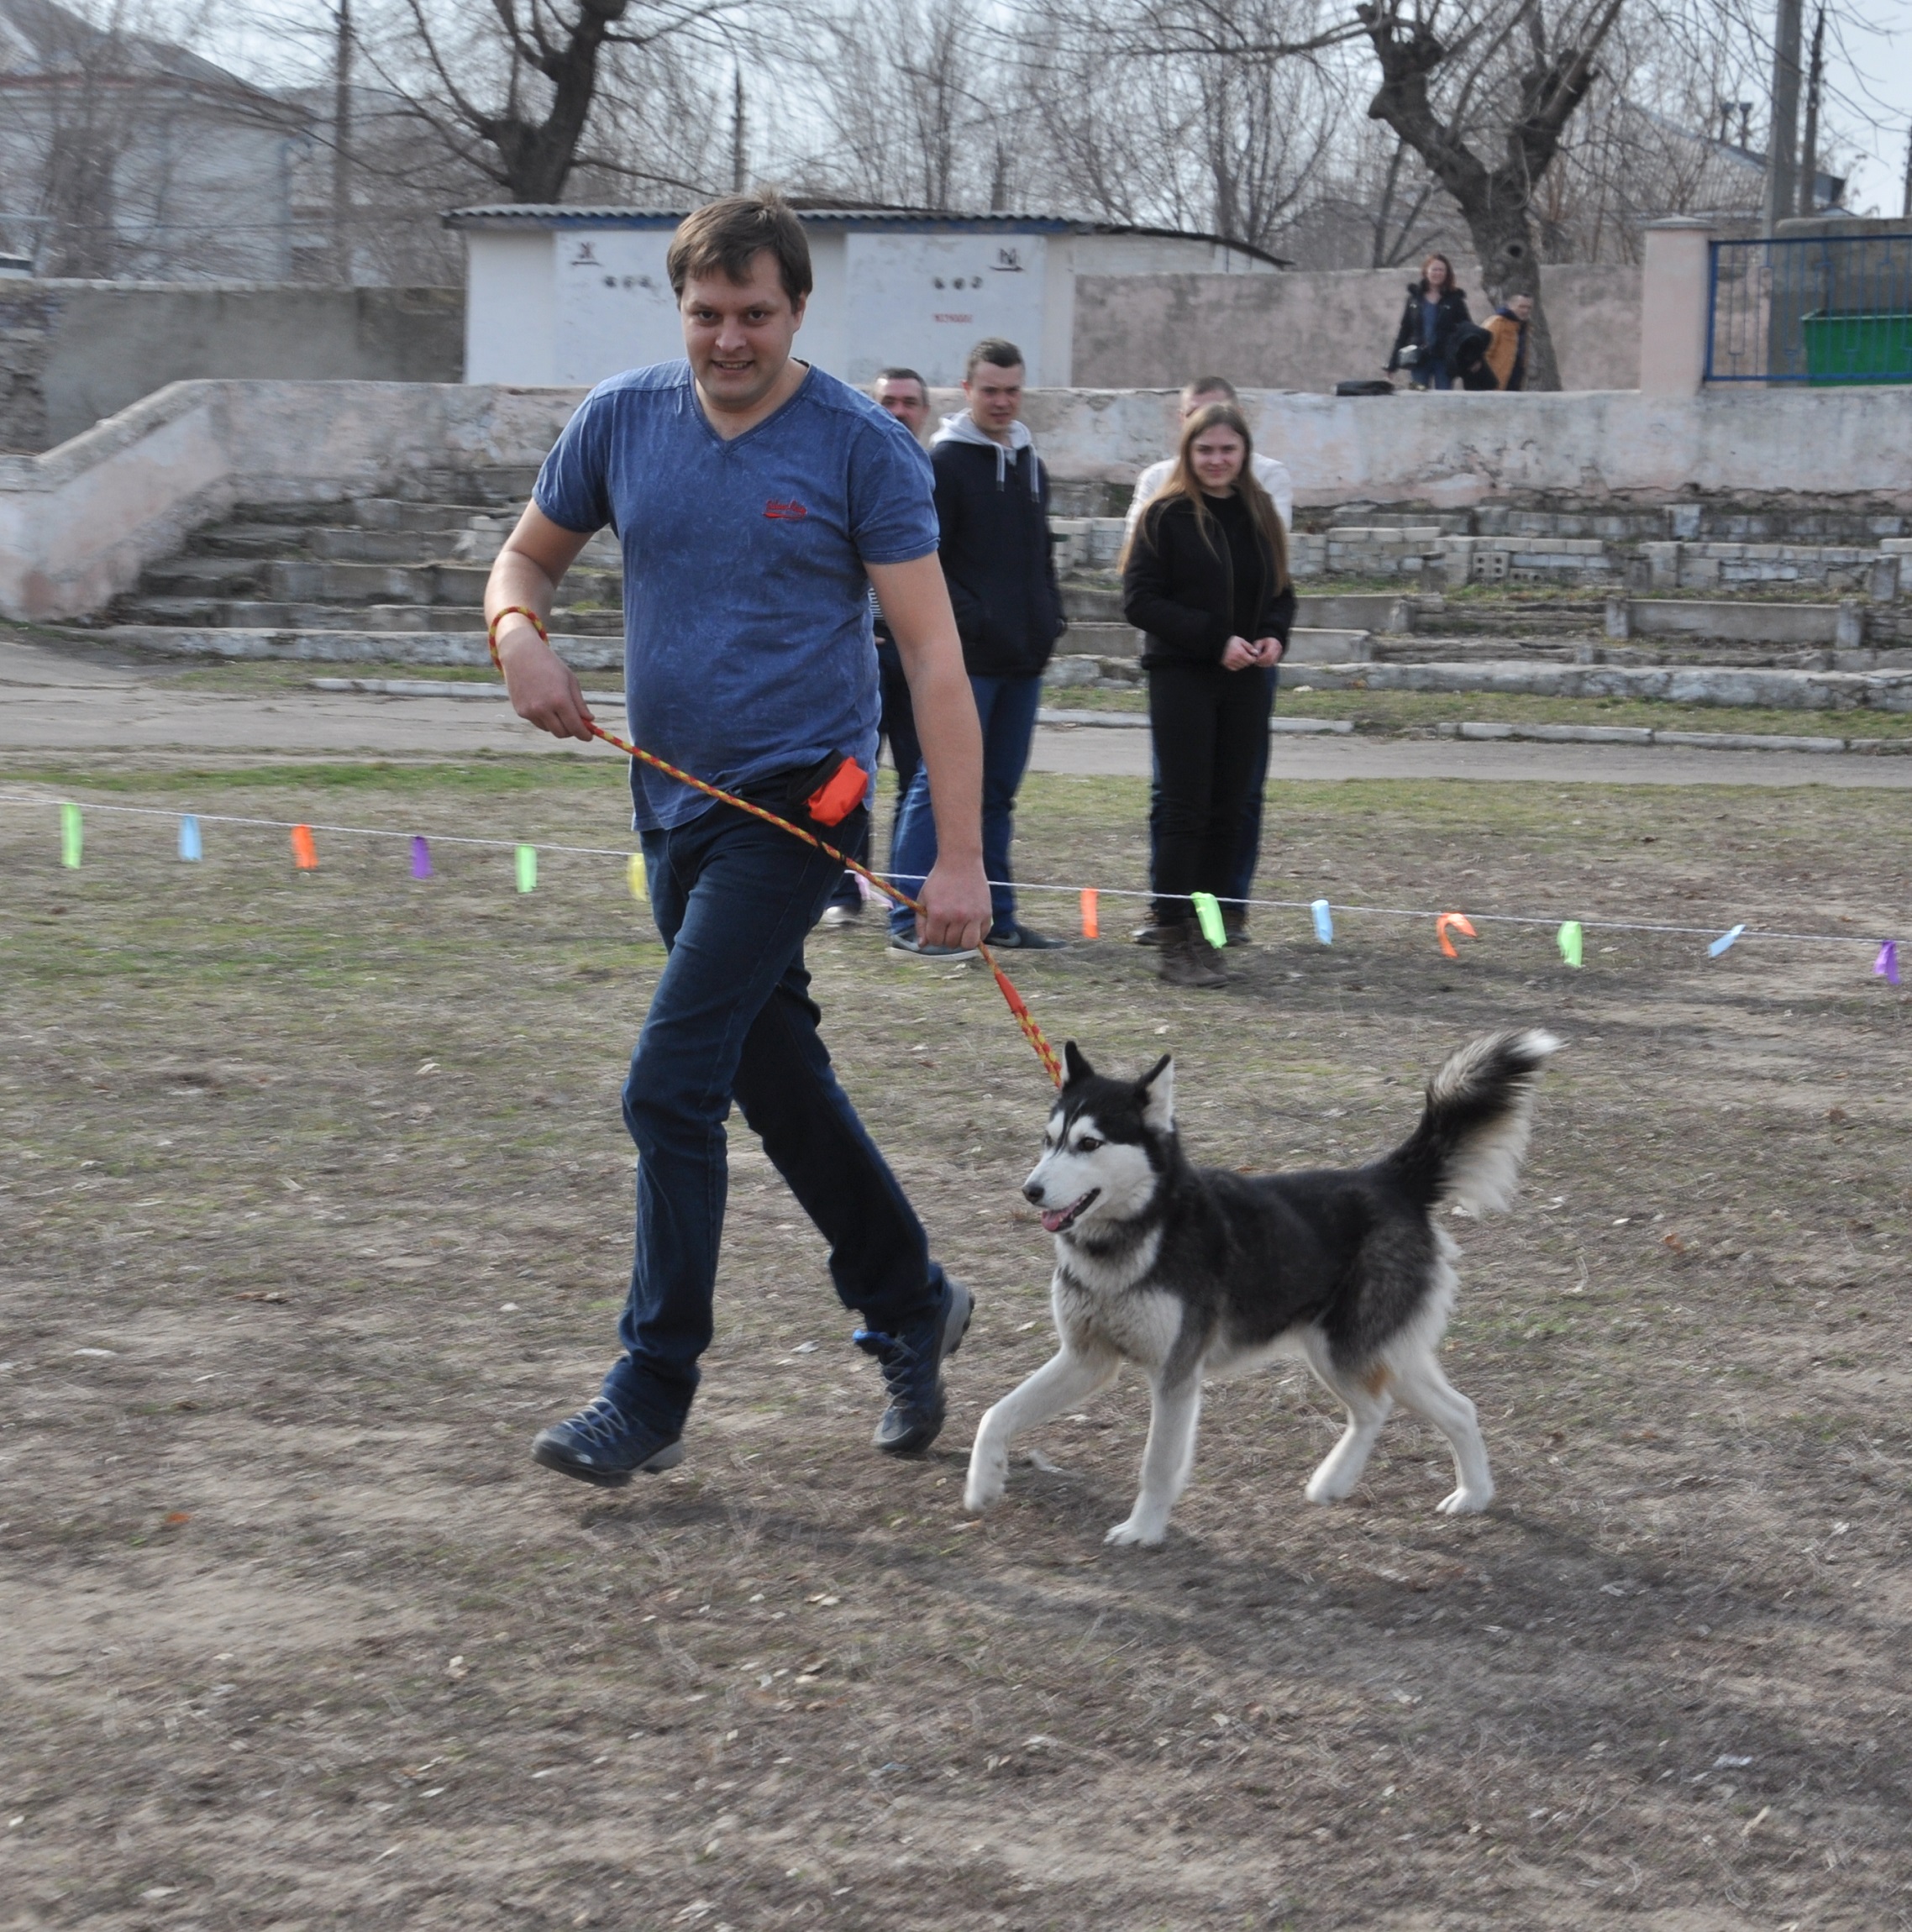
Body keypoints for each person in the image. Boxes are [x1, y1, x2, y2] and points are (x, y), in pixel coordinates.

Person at [484, 194, 993, 1486]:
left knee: (669, 1084)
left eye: (754, 314)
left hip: (800, 804)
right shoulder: (621, 419)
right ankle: (911, 1299)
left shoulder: (861, 447)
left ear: (798, 310)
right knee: (776, 1079)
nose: (728, 340)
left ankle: (651, 1387)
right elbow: (522, 563)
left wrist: (957, 855)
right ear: (681, 309)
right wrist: (518, 638)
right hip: (671, 807)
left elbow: (934, 657)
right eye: (706, 313)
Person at [885, 338, 1068, 958]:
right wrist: (976, 622)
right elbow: (925, 560)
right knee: (937, 783)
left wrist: (1049, 618)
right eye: (990, 390)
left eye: (1012, 390)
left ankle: (998, 919)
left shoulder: (1030, 462)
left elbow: (1039, 554)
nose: (1002, 401)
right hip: (967, 662)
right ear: (967, 391)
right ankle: (908, 918)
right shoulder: (944, 464)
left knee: (997, 794)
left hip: (1023, 659)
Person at [1121, 401, 1295, 990]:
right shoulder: (1164, 515)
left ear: (1244, 453)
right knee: (1185, 808)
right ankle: (1173, 936)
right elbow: (1140, 601)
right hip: (1183, 677)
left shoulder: (1259, 511)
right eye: (1205, 450)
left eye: (1227, 449)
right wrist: (1214, 639)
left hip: (1245, 681)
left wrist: (1273, 633)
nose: (1217, 460)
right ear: (1188, 453)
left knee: (1230, 809)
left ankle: (1210, 934)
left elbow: (1280, 591)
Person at [818, 366, 931, 928]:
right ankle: (842, 889)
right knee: (850, 776)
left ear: (925, 412)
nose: (899, 411)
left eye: (909, 402)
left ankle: (905, 892)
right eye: (889, 401)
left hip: (916, 654)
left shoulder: (932, 474)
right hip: (860, 650)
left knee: (917, 777)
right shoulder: (848, 468)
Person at [1388, 255, 1472, 391]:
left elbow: (1467, 331)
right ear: (1426, 271)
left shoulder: (1455, 300)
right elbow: (1405, 331)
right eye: (1434, 269)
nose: (1437, 273)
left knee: (1444, 398)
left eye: (1441, 270)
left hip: (1444, 360)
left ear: (1447, 274)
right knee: (1418, 396)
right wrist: (1392, 364)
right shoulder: (1414, 299)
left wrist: (1471, 359)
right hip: (1419, 359)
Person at [1483, 292, 1533, 391]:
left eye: (1529, 308)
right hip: (1494, 382)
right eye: (1521, 307)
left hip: (1515, 381)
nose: (1525, 311)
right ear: (1511, 306)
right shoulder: (1497, 323)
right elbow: (1484, 352)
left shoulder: (1524, 327)